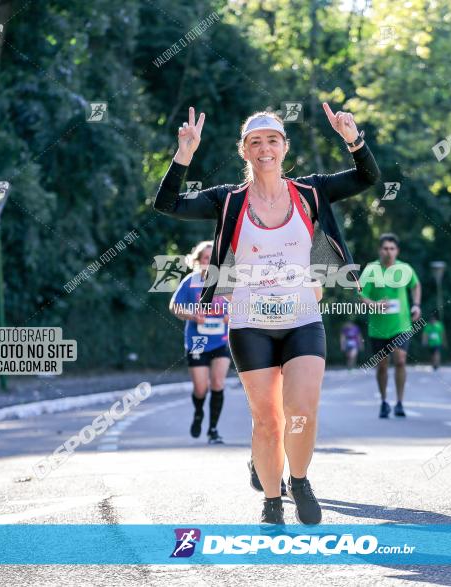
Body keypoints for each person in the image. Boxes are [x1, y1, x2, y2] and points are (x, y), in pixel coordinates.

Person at [154, 104, 380, 525]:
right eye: (254, 141)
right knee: (267, 420)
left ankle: (300, 479)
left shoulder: (311, 192)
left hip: (302, 320)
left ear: (284, 147)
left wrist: (353, 138)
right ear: (244, 151)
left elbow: (368, 177)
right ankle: (271, 500)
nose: (264, 148)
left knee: (301, 411)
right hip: (249, 324)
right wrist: (184, 152)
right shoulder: (228, 200)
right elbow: (166, 204)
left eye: (272, 140)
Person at [169, 241, 231, 444]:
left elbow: (242, 305)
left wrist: (231, 316)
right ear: (198, 261)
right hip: (197, 341)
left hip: (221, 341)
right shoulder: (191, 281)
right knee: (201, 388)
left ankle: (213, 430)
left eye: (214, 259)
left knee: (218, 383)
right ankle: (198, 413)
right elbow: (175, 307)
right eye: (206, 258)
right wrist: (193, 316)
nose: (210, 262)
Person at [360, 234, 422, 418]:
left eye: (392, 248)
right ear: (380, 250)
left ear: (397, 251)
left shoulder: (405, 268)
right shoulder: (371, 269)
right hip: (378, 328)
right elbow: (361, 295)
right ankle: (384, 401)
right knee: (382, 366)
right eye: (385, 248)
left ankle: (400, 402)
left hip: (401, 326)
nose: (389, 252)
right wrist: (375, 305)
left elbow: (416, 285)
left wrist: (416, 304)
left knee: (401, 360)